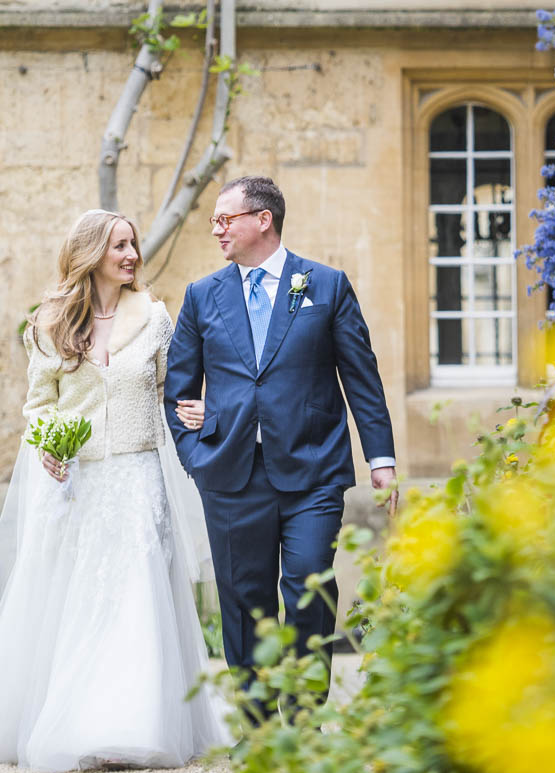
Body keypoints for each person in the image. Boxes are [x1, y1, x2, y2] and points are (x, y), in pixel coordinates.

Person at [0, 210, 229, 771]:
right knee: (79, 595)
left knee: (139, 590)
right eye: (118, 246)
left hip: (139, 473)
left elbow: (173, 390)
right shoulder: (49, 324)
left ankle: (136, 723)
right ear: (89, 254)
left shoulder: (154, 318)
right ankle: (74, 720)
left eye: (132, 245)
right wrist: (48, 446)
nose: (131, 255)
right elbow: (38, 407)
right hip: (79, 481)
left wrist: (201, 410)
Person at [165, 175, 398, 700]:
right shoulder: (202, 297)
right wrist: (197, 460)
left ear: (262, 219)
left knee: (310, 589)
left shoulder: (325, 285)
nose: (216, 230)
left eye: (225, 219)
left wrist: (380, 457)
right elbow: (177, 393)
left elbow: (361, 376)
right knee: (244, 603)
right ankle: (257, 726)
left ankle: (304, 719)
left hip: (313, 471)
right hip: (229, 477)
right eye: (214, 221)